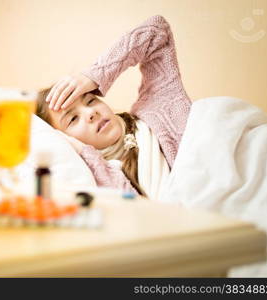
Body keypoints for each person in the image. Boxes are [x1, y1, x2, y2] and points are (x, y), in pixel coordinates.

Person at [36, 15, 192, 198]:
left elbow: (157, 32)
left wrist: (93, 75)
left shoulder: (157, 108)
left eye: (90, 101)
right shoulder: (90, 177)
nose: (91, 112)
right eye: (73, 118)